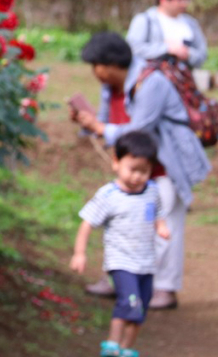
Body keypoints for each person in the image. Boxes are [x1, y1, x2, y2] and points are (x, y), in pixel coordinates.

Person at [73, 32, 211, 310]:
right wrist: (88, 123)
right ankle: (121, 279)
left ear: (111, 63)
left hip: (166, 166)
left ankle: (165, 288)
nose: (94, 73)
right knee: (124, 223)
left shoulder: (151, 82)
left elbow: (140, 130)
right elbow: (106, 123)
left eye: (96, 65)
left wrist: (100, 129)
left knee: (166, 225)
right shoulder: (109, 86)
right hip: (133, 168)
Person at [71, 131, 170, 357]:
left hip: (146, 263)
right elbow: (87, 224)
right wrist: (79, 253)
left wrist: (161, 226)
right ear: (116, 163)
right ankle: (112, 344)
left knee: (141, 308)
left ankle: (127, 348)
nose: (137, 176)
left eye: (144, 171)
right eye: (132, 169)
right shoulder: (108, 195)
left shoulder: (152, 191)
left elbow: (158, 212)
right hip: (120, 262)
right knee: (129, 303)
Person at [126, 0, 207, 69]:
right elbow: (132, 49)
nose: (184, 4)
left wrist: (188, 53)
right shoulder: (145, 20)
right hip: (151, 79)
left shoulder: (191, 23)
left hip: (183, 80)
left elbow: (202, 54)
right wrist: (167, 49)